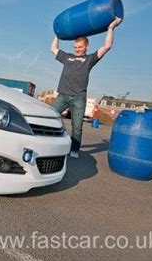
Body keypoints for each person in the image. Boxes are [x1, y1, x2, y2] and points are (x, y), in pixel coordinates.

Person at [50, 17, 122, 158]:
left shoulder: (90, 59)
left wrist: (111, 28)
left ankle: (74, 150)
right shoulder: (67, 57)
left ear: (86, 47)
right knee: (49, 118)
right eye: (75, 47)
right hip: (63, 95)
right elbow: (53, 48)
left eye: (80, 47)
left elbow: (106, 47)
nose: (77, 49)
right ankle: (51, 143)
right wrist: (57, 34)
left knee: (77, 128)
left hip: (78, 98)